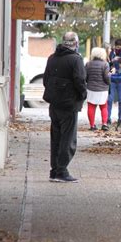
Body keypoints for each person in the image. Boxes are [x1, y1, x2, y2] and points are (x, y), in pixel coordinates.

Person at [43, 31, 86, 183]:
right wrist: (82, 95)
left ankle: (54, 170)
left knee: (56, 138)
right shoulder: (76, 60)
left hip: (54, 104)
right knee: (68, 139)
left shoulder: (52, 58)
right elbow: (80, 80)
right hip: (69, 105)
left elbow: (46, 79)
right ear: (75, 43)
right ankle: (62, 171)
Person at [85, 47, 111, 131]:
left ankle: (92, 125)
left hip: (91, 88)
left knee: (91, 107)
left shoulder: (88, 64)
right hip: (102, 89)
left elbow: (85, 77)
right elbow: (106, 77)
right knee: (103, 106)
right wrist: (109, 80)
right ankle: (104, 124)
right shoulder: (105, 64)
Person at [107, 39, 121, 126]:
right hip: (112, 79)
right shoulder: (111, 52)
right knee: (109, 100)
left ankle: (120, 119)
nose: (118, 48)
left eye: (120, 47)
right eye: (117, 47)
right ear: (114, 46)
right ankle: (108, 118)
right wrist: (112, 61)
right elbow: (108, 64)